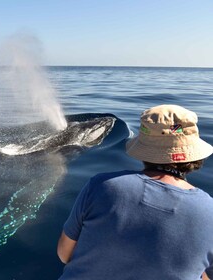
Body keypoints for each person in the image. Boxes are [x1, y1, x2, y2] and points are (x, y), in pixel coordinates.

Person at [57, 104, 213, 280]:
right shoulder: (209, 210)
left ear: (144, 148)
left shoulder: (102, 185)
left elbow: (64, 254)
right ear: (194, 154)